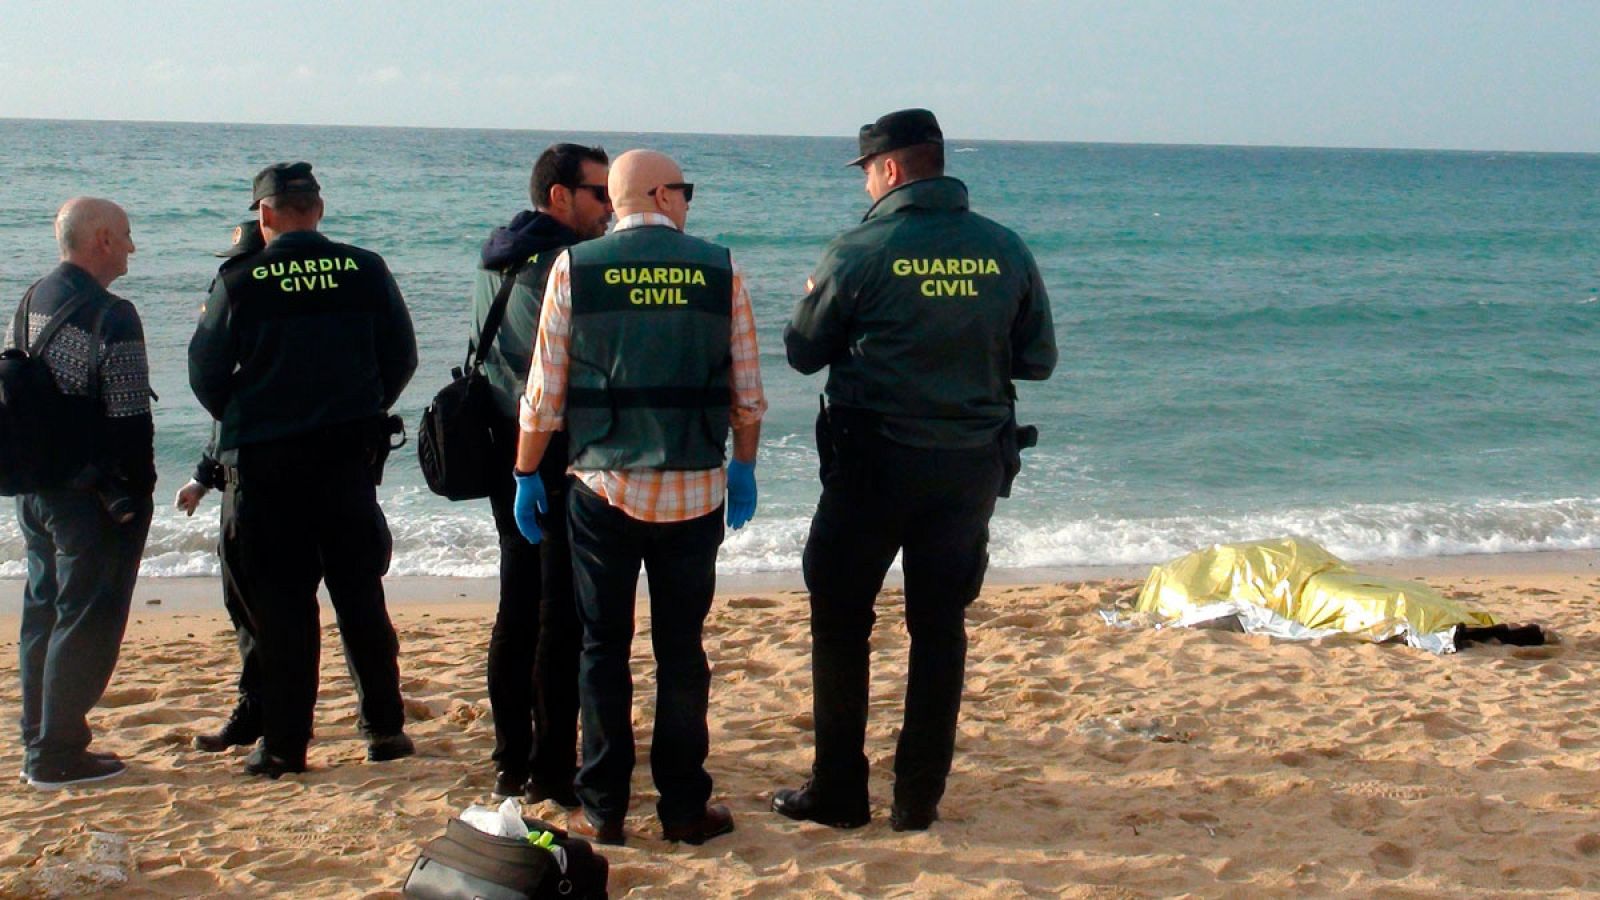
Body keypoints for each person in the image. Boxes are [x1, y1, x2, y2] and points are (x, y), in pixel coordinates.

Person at [773, 109, 1057, 832]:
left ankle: (840, 790)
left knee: (840, 622)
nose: (866, 184)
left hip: (872, 462)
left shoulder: (859, 250)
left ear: (892, 169)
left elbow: (803, 352)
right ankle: (916, 798)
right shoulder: (1005, 249)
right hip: (967, 468)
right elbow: (1038, 361)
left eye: (868, 171)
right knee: (939, 628)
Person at [514, 149, 765, 846]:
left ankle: (603, 809)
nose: (688, 201)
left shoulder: (575, 267)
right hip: (695, 487)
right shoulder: (720, 266)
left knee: (603, 649)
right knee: (682, 652)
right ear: (657, 193)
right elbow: (747, 395)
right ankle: (684, 808)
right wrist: (742, 468)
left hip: (603, 487)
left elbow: (544, 394)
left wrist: (526, 473)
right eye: (683, 190)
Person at [188, 162, 419, 779]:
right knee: (360, 596)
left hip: (269, 468)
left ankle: (287, 746)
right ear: (318, 209)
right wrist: (362, 408)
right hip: (348, 460)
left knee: (286, 607)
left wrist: (256, 414)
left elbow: (206, 375)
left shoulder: (241, 280)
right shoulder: (365, 268)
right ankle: (386, 730)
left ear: (263, 215)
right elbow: (401, 355)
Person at [471, 144, 611, 808]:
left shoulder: (497, 254)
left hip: (504, 442)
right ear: (561, 197)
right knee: (558, 613)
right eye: (599, 195)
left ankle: (510, 759)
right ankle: (549, 766)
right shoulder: (565, 264)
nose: (611, 209)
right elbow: (571, 367)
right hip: (550, 449)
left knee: (517, 602)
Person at [12, 197, 155, 789]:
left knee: (43, 611)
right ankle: (58, 752)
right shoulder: (112, 315)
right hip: (90, 498)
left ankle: (38, 734)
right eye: (124, 235)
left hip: (35, 485)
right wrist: (137, 495)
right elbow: (127, 420)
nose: (131, 246)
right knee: (88, 618)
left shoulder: (31, 299)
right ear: (99, 239)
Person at [176, 219, 267, 753]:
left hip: (255, 485)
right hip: (257, 473)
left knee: (254, 605)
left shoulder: (245, 308)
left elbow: (221, 401)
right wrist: (201, 478)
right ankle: (381, 718)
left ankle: (259, 711)